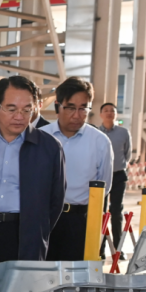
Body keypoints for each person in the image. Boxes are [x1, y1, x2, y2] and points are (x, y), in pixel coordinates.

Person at [0, 76, 66, 267]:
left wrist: (38, 230)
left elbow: (56, 200)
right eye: (11, 109)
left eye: (27, 110)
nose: (19, 116)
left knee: (19, 286)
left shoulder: (49, 147)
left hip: (24, 235)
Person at [42, 77, 112, 262]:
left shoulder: (100, 142)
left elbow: (105, 186)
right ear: (58, 106)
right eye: (70, 108)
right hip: (43, 220)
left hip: (80, 222)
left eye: (83, 108)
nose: (77, 115)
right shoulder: (42, 138)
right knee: (41, 274)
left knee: (77, 275)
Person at [98, 102, 132, 259]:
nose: (109, 113)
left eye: (112, 110)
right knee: (100, 213)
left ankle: (118, 250)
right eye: (106, 110)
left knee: (116, 212)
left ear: (116, 114)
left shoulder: (124, 133)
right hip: (101, 177)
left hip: (118, 176)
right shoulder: (96, 133)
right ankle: (100, 249)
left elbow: (127, 155)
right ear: (101, 114)